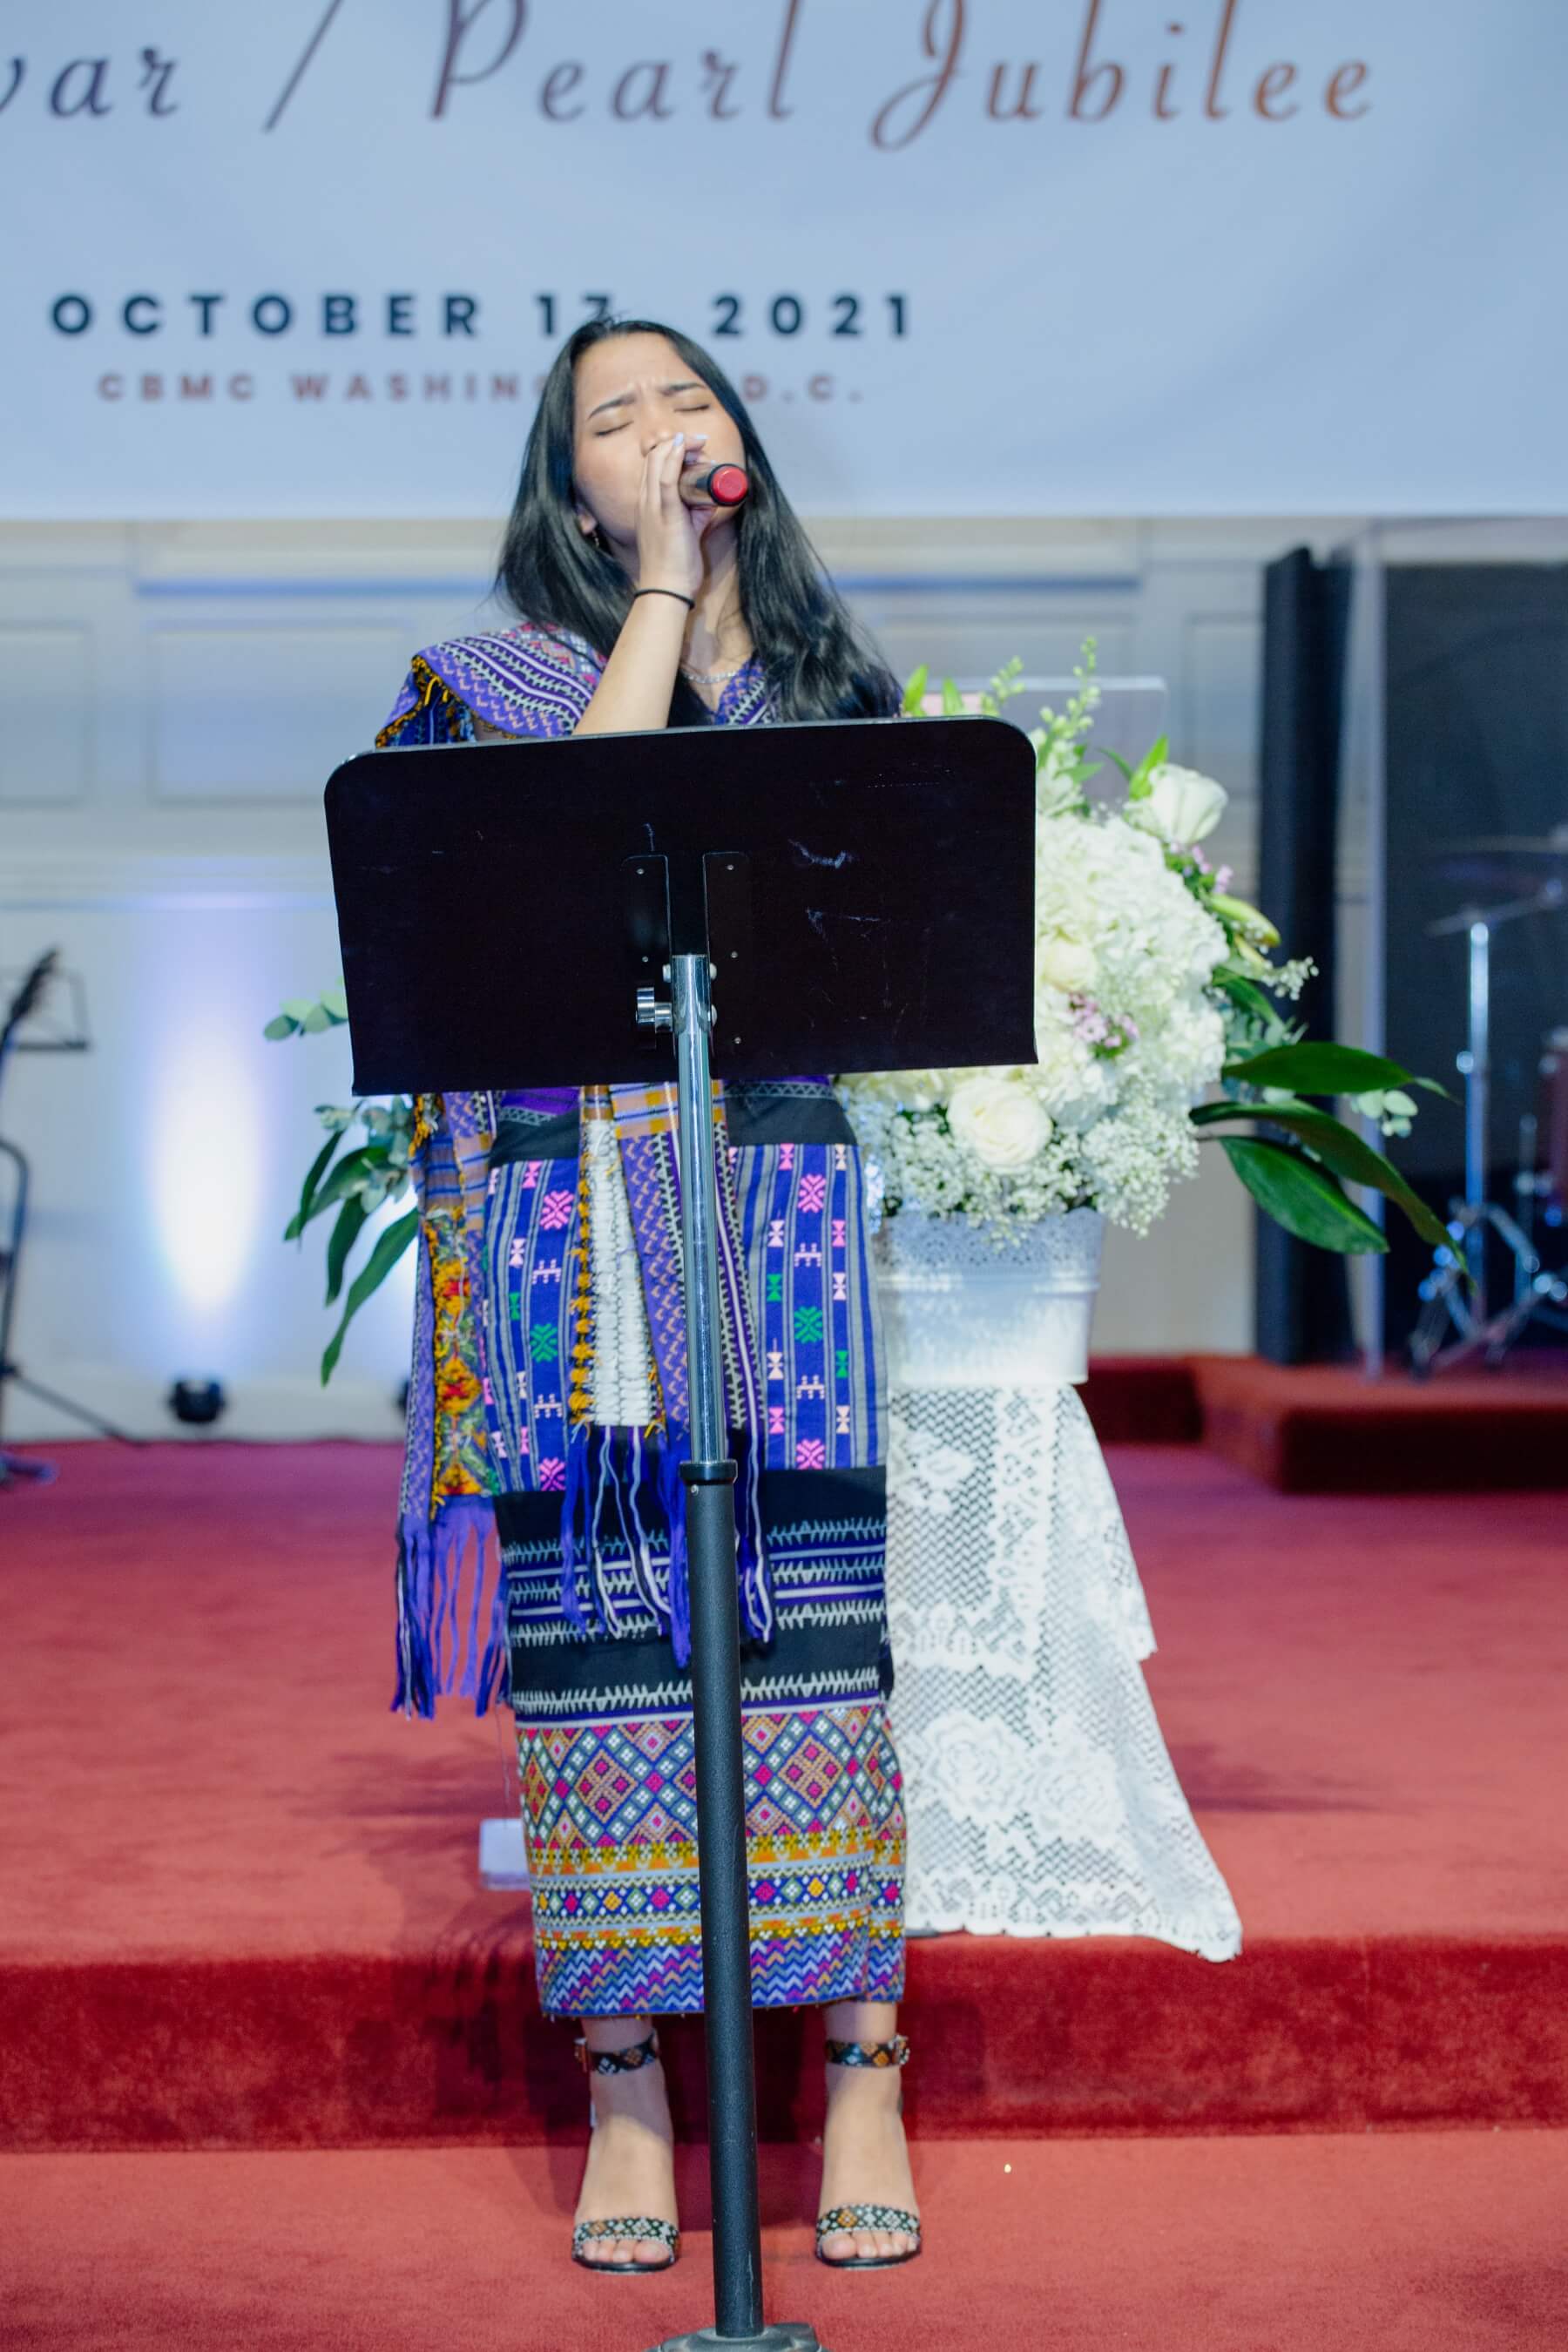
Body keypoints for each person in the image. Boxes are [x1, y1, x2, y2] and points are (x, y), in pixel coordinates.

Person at [376, 317, 920, 2275]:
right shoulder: (486, 691)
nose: (664, 431)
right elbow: (575, 840)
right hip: (566, 1219)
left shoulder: (835, 691)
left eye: (691, 402)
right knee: (604, 1624)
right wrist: (664, 598)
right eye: (616, 420)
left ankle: (862, 2069)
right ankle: (627, 2086)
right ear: (573, 494)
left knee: (814, 1625)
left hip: (775, 1199)